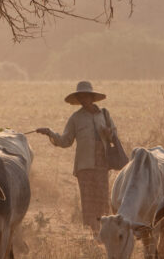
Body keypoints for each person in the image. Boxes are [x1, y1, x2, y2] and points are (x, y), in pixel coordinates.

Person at [36, 81, 117, 234]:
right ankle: (94, 234)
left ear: (92, 97)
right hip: (84, 166)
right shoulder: (76, 118)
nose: (83, 99)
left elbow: (114, 136)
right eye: (80, 97)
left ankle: (104, 232)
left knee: (102, 199)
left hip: (102, 164)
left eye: (85, 96)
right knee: (88, 202)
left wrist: (109, 133)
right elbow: (65, 141)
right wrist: (49, 133)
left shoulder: (104, 115)